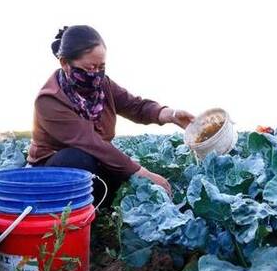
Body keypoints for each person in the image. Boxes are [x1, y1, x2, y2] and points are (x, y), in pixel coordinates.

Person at [28, 25, 194, 206]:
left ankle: (98, 209)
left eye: (101, 66)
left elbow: (135, 106)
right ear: (64, 63)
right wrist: (143, 173)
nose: (96, 74)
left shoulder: (103, 85)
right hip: (51, 174)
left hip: (94, 158)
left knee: (116, 173)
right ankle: (67, 215)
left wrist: (171, 115)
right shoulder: (49, 100)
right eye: (90, 67)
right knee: (78, 159)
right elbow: (91, 143)